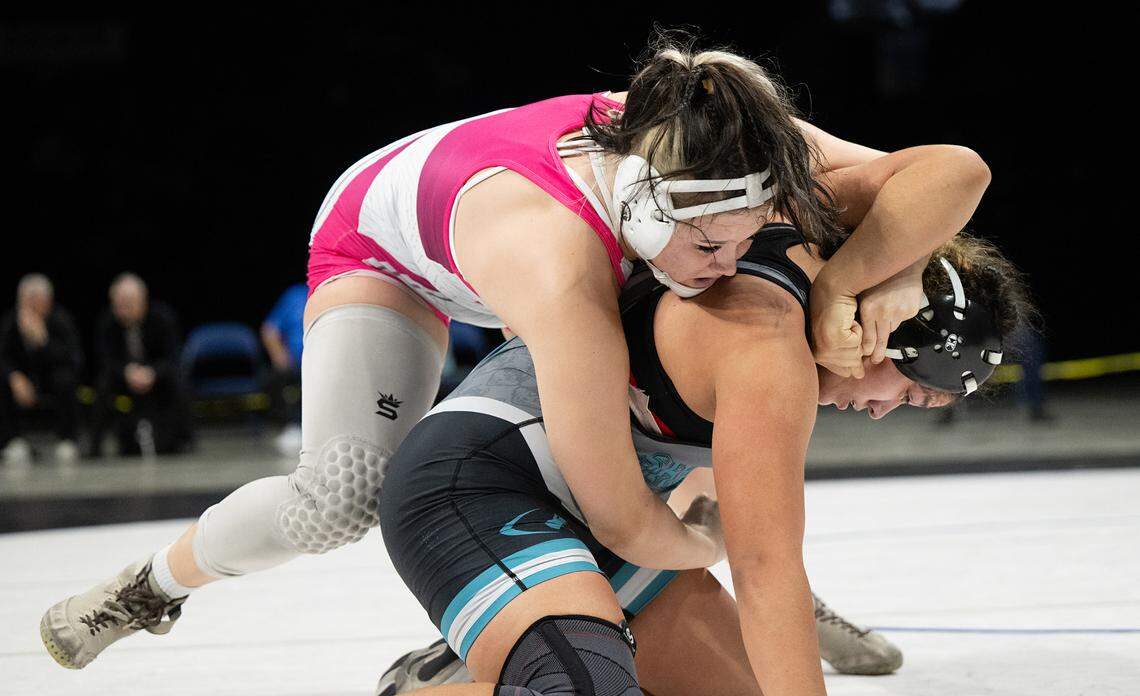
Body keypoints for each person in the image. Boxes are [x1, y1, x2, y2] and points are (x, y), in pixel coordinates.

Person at [41, 33, 991, 672]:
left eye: (753, 236)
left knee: (733, 357)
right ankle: (148, 586)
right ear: (652, 212)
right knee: (336, 499)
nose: (735, 263)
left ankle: (757, 579)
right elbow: (621, 516)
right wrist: (744, 559)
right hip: (395, 251)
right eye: (715, 246)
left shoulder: (725, 145)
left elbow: (950, 171)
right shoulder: (559, 269)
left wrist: (855, 278)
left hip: (577, 226)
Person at [375, 223, 1029, 696]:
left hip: (592, 513)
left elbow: (717, 516)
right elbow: (763, 566)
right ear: (889, 336)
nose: (886, 410)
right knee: (583, 689)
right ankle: (528, 659)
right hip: (479, 485)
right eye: (910, 392)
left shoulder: (789, 298)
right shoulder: (769, 347)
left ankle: (506, 651)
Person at [88, 273, 193, 457]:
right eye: (118, 305)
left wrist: (152, 372)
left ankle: (184, 439)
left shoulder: (162, 318)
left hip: (156, 375)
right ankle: (94, 446)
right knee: (103, 383)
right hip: (124, 376)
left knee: (179, 381)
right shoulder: (108, 322)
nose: (122, 310)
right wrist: (126, 372)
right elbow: (106, 359)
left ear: (142, 301)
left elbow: (172, 357)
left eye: (128, 304)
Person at [0, 273, 83, 466]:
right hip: (22, 382)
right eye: (25, 301)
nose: (29, 307)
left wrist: (43, 341)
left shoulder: (61, 320)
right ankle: (11, 440)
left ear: (47, 302)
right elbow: (3, 356)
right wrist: (15, 377)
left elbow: (73, 359)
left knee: (65, 379)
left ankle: (67, 439)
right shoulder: (11, 321)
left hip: (51, 380)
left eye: (35, 301)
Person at [261, 282, 308, 454]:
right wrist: (279, 355)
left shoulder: (336, 291)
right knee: (278, 378)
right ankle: (293, 426)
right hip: (295, 363)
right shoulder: (295, 295)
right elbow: (269, 329)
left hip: (330, 360)